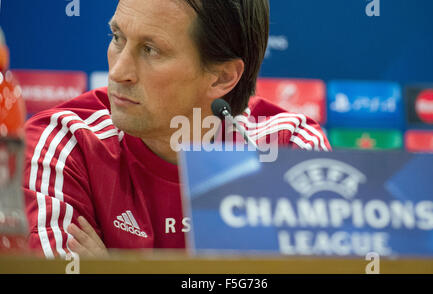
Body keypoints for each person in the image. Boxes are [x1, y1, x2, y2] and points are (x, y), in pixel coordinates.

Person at [23, 0, 331, 258]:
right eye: (117, 37)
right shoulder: (65, 143)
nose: (118, 72)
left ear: (222, 77)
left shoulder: (290, 150)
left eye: (150, 50)